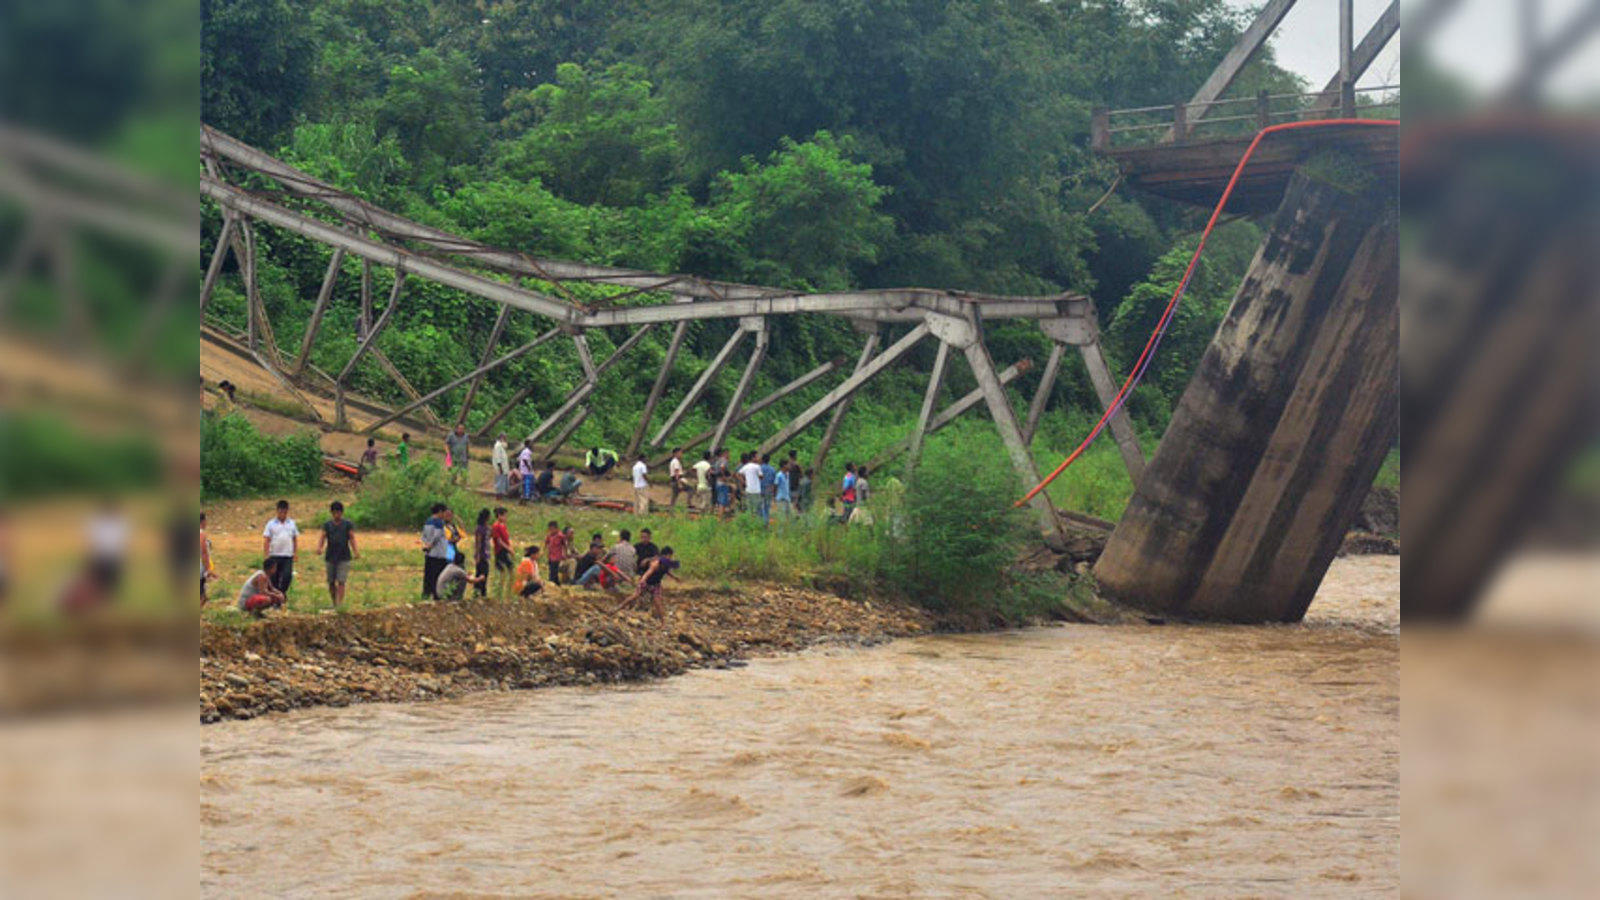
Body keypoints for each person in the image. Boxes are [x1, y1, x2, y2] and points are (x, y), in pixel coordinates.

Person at [616, 547, 681, 623]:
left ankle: (663, 622)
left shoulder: (666, 564)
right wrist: (642, 580)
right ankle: (617, 608)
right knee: (634, 596)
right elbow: (648, 573)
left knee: (658, 602)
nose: (670, 558)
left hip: (656, 584)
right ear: (667, 555)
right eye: (670, 556)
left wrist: (675, 577)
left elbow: (666, 571)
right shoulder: (656, 563)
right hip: (646, 582)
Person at [317, 500, 358, 609]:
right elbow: (323, 537)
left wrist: (355, 551)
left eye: (338, 513)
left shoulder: (347, 525)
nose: (336, 515)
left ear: (342, 513)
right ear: (331, 513)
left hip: (344, 556)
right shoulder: (327, 525)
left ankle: (339, 604)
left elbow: (352, 538)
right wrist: (319, 548)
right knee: (331, 582)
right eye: (334, 513)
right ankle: (334, 602)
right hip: (330, 557)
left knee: (341, 581)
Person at [261, 499, 298, 597]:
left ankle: (282, 593)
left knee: (287, 576)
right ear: (277, 511)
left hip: (287, 555)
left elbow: (294, 539)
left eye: (284, 512)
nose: (282, 514)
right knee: (274, 578)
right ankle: (275, 598)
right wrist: (266, 555)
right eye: (280, 511)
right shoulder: (271, 524)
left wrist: (295, 553)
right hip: (274, 555)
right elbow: (267, 539)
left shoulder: (291, 523)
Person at [420, 504, 452, 599]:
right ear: (440, 512)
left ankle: (426, 595)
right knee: (438, 578)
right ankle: (437, 596)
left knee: (428, 576)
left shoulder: (427, 521)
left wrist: (426, 545)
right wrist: (430, 544)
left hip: (429, 554)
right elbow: (436, 536)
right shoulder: (439, 523)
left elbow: (424, 536)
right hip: (438, 554)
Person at [471, 508, 492, 598]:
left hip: (486, 553)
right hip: (482, 553)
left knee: (484, 573)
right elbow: (478, 543)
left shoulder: (487, 528)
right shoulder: (479, 529)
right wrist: (477, 555)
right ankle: (480, 592)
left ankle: (481, 592)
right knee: (481, 573)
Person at [738, 453, 763, 518]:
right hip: (756, 490)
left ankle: (750, 521)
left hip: (748, 489)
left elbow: (738, 474)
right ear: (753, 458)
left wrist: (743, 482)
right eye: (756, 457)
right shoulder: (757, 466)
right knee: (757, 509)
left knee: (749, 508)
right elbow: (761, 476)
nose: (758, 458)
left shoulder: (746, 466)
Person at [542, 520, 567, 585]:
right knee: (552, 570)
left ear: (556, 529)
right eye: (550, 529)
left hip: (557, 557)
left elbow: (564, 545)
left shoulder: (561, 536)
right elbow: (546, 543)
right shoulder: (549, 536)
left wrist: (564, 554)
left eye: (552, 529)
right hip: (550, 556)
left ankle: (551, 583)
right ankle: (557, 584)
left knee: (553, 572)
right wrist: (543, 551)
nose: (551, 531)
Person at [200, 512, 216, 604]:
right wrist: (208, 569)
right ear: (203, 521)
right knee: (201, 597)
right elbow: (204, 552)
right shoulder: (201, 534)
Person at [758, 453, 778, 524]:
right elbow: (774, 481)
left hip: (760, 489)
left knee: (760, 506)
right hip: (769, 489)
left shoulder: (759, 468)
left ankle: (761, 521)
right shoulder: (773, 469)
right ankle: (766, 522)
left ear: (762, 460)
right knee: (767, 507)